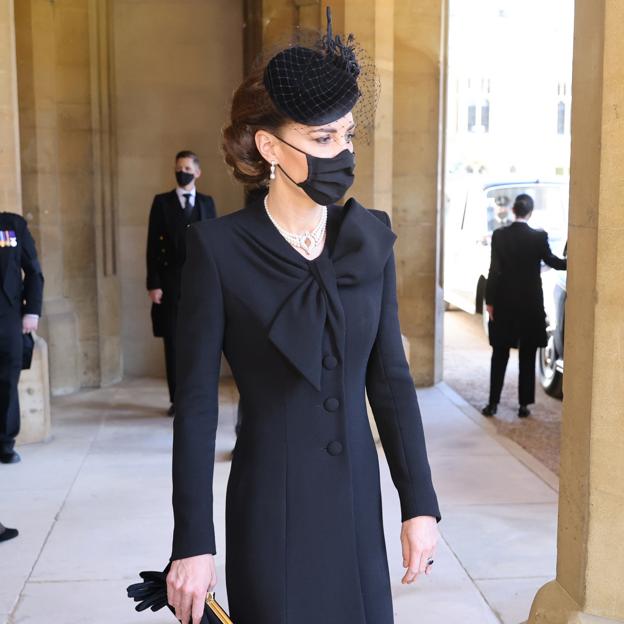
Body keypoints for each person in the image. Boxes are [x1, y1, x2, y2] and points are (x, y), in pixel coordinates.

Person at [166, 10, 441, 624]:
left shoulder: (370, 240)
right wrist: (193, 541)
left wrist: (418, 503)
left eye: (346, 137)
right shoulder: (218, 251)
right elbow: (196, 403)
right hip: (273, 507)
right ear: (269, 147)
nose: (341, 153)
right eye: (322, 140)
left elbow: (390, 381)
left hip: (355, 503)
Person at [482, 193, 567, 418]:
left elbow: (494, 271)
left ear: (513, 211)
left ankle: (492, 404)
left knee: (499, 355)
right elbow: (553, 262)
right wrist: (572, 261)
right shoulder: (538, 238)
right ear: (530, 213)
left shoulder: (500, 236)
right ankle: (523, 406)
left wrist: (489, 302)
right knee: (527, 357)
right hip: (530, 306)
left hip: (504, 304)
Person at [146, 151, 216, 416]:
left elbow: (215, 246)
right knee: (174, 342)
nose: (182, 171)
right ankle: (178, 399)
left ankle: (196, 396)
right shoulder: (161, 203)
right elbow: (153, 245)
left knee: (200, 342)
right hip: (170, 283)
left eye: (187, 167)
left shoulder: (208, 203)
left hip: (201, 285)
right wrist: (154, 283)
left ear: (197, 172)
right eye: (179, 167)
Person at [0, 212, 44, 464]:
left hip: (8, 318)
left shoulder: (12, 226)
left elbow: (33, 272)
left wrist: (32, 311)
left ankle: (5, 442)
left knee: (7, 381)